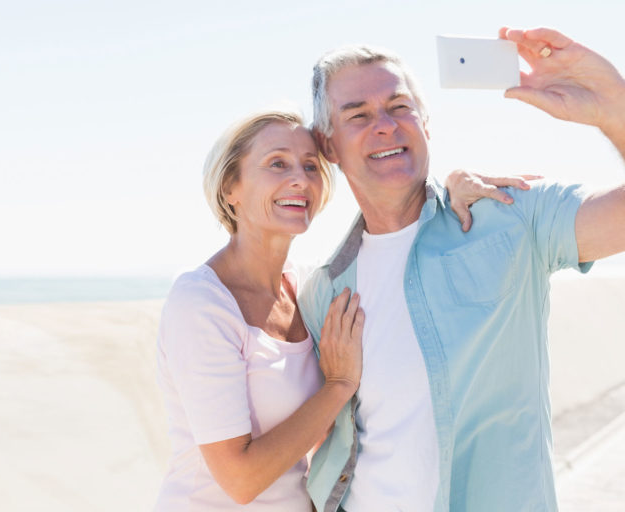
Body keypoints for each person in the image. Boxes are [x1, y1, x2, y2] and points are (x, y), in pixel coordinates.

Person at [298, 27, 625, 512]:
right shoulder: (323, 292)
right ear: (328, 146)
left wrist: (612, 105)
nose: (385, 125)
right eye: (358, 115)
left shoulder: (512, 217)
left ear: (426, 122)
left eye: (399, 106)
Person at [153, 110, 511, 510]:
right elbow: (240, 480)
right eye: (277, 164)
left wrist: (452, 189)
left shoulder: (309, 289)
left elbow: (397, 266)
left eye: (311, 166)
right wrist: (338, 386)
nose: (300, 179)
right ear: (230, 187)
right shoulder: (201, 303)